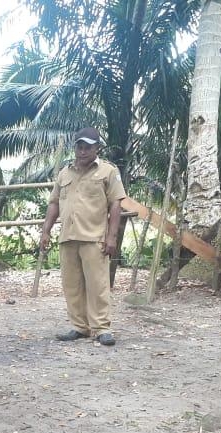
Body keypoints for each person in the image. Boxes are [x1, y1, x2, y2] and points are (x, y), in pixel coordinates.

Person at [40, 127, 127, 347]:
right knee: (72, 285)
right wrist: (46, 231)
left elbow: (116, 204)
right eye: (80, 146)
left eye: (88, 146)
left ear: (98, 148)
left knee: (97, 284)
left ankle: (101, 328)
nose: (83, 150)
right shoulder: (64, 173)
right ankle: (80, 326)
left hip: (94, 236)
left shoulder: (108, 171)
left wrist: (112, 237)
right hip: (68, 237)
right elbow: (54, 203)